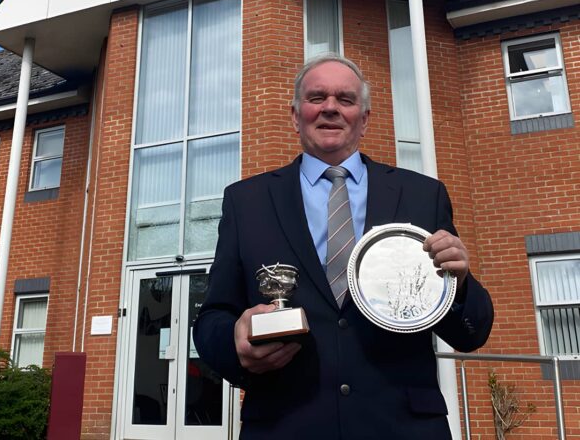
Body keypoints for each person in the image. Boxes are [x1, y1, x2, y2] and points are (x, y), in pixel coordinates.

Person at [193, 54, 493, 440]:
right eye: (317, 97)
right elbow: (213, 317)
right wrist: (235, 339)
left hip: (402, 427)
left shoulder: (422, 195)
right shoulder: (246, 201)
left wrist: (461, 283)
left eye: (345, 100)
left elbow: (472, 333)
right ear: (296, 115)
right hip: (287, 425)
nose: (330, 107)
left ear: (364, 119)